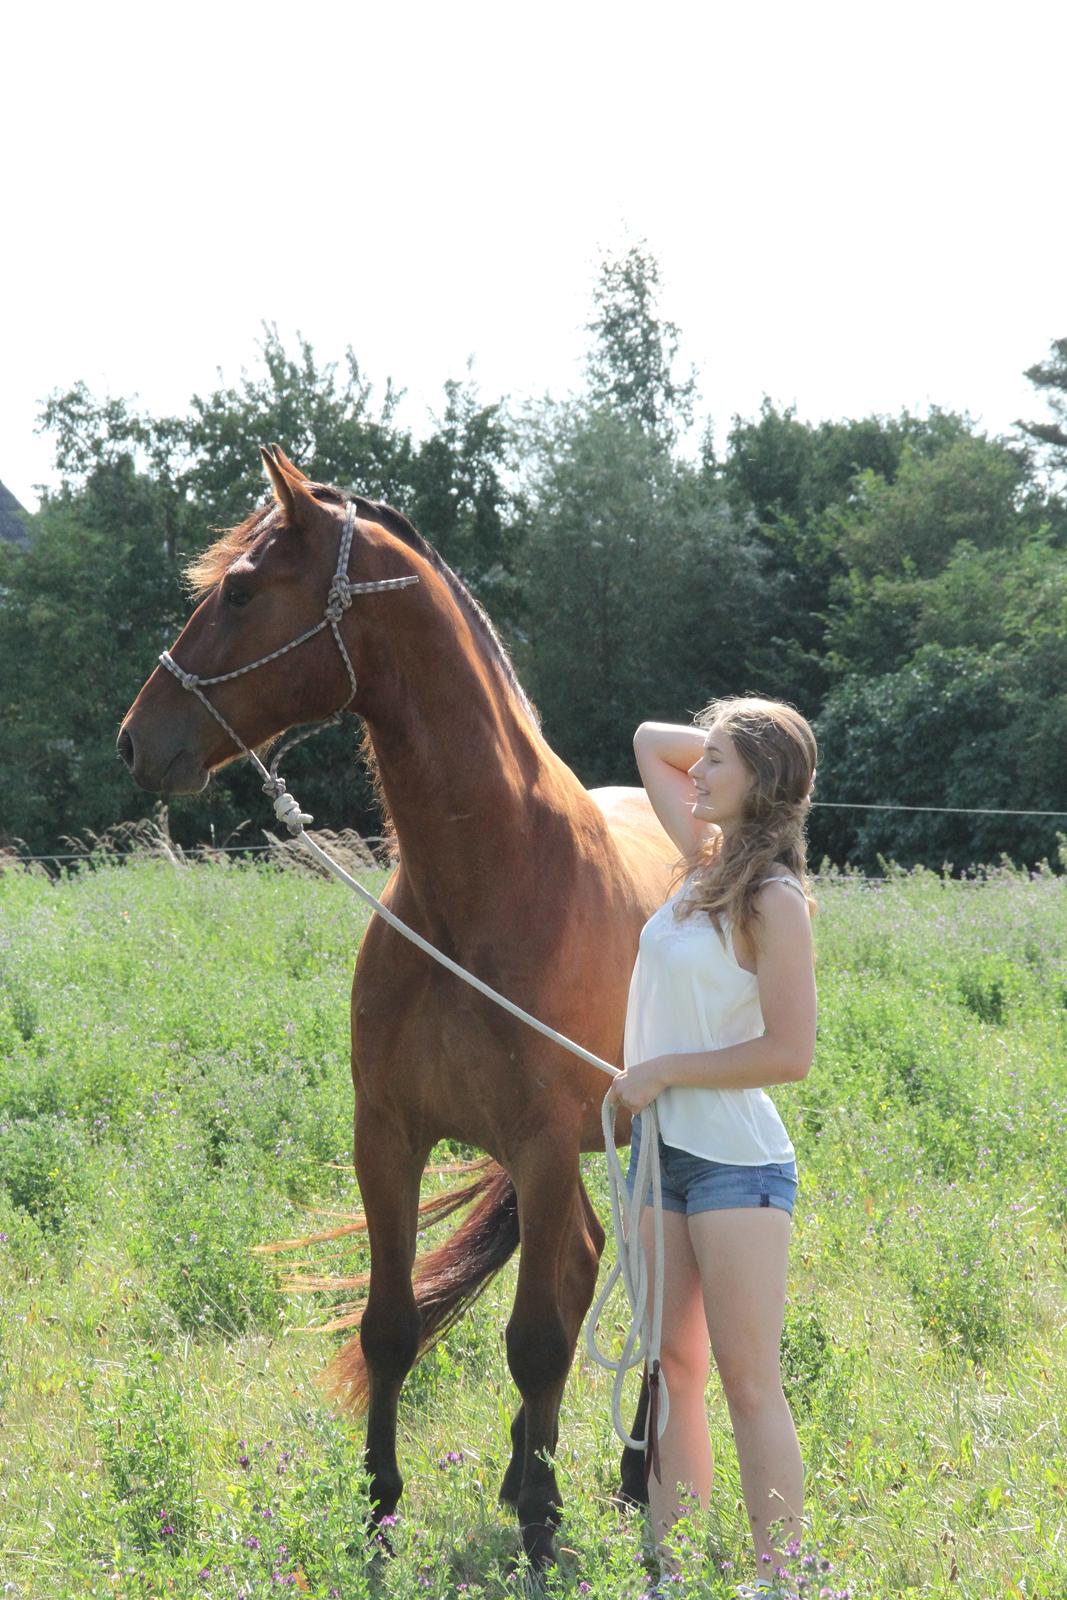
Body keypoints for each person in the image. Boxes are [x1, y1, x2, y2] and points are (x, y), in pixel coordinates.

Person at [607, 695, 818, 1600]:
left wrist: (661, 1072)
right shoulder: (700, 870)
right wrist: (740, 750)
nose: (697, 775)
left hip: (735, 1164)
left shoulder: (773, 898)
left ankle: (780, 1580)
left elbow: (789, 1053)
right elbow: (650, 743)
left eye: (719, 765)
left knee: (746, 1381)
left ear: (760, 785)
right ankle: (674, 1571)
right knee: (674, 1368)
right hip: (661, 1159)